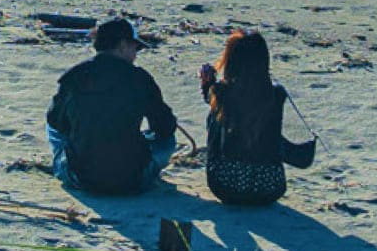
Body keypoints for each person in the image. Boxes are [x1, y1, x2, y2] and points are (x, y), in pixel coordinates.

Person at [45, 17, 179, 194]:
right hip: (133, 180)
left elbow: (55, 121)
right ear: (122, 45)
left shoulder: (75, 75)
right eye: (135, 48)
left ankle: (67, 163)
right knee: (167, 142)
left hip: (81, 178)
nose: (135, 55)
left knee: (53, 130)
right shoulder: (140, 78)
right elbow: (165, 127)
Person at [197, 30, 315, 207]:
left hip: (224, 186)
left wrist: (208, 84)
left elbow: (212, 98)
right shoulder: (276, 94)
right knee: (262, 125)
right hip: (271, 188)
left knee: (216, 115)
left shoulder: (221, 92)